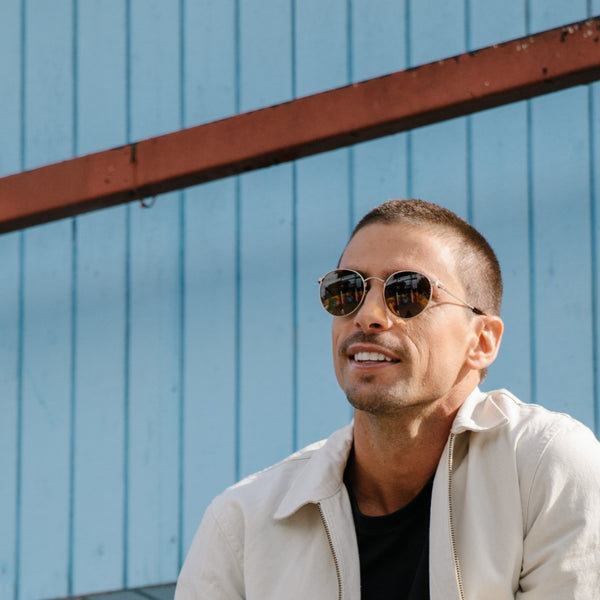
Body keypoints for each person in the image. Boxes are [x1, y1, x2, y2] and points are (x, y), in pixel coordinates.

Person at [175, 199, 600, 599]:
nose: (367, 315)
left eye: (409, 292)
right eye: (346, 290)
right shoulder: (242, 525)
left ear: (482, 340)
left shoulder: (547, 466)